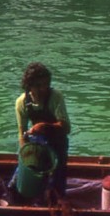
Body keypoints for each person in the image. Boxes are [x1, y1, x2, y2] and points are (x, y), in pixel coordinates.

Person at [14, 62, 71, 198]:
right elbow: (22, 132)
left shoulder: (55, 97)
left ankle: (56, 196)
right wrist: (25, 155)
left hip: (58, 143)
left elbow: (66, 128)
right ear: (29, 86)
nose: (43, 89)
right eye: (38, 86)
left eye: (46, 85)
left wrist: (45, 127)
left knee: (57, 186)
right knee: (22, 182)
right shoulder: (21, 102)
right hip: (38, 145)